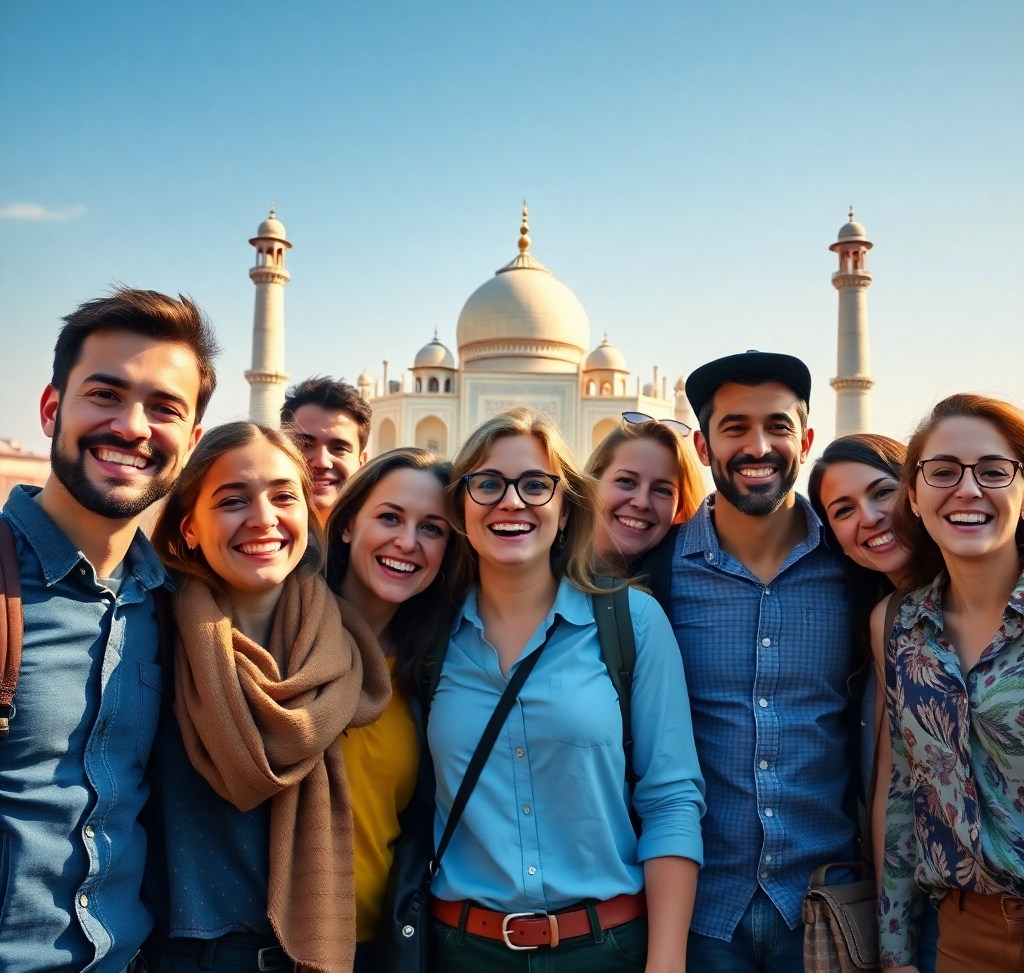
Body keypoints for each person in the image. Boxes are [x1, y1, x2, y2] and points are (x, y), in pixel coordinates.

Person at [427, 407, 705, 972]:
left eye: (535, 485)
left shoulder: (632, 621)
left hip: (606, 948)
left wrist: (667, 960)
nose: (512, 502)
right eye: (487, 484)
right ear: (460, 508)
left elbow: (671, 797)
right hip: (463, 951)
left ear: (564, 508)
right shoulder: (430, 637)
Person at [0, 288, 217, 973]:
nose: (131, 426)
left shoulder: (171, 605)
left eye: (164, 408)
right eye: (104, 393)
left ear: (192, 442)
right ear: (50, 408)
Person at [143, 422, 390, 973]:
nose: (263, 518)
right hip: (173, 957)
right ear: (188, 529)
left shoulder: (345, 652)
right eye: (233, 500)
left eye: (284, 496)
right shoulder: (149, 634)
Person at [656, 349, 855, 972]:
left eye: (778, 426)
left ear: (808, 439)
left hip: (829, 908)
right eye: (735, 427)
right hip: (697, 914)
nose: (758, 445)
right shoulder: (655, 578)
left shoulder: (854, 571)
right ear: (703, 446)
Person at [878, 394, 1024, 973]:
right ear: (913, 496)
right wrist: (894, 951)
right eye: (942, 472)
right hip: (965, 935)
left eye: (993, 470)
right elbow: (905, 793)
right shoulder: (907, 630)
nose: (967, 489)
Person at [323, 448, 460, 973]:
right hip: (256, 943)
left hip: (373, 945)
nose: (407, 543)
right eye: (389, 517)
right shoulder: (281, 629)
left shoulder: (433, 670)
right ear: (347, 525)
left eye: (432, 528)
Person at [808, 435, 939, 973]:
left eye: (881, 492)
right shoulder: (885, 620)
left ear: (914, 491)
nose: (868, 517)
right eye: (843, 510)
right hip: (937, 911)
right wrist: (895, 946)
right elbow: (894, 789)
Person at [585, 414, 705, 577]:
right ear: (592, 482)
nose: (642, 502)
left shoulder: (680, 591)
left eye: (662, 490)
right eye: (626, 481)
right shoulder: (544, 572)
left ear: (679, 507)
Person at [281, 376, 372, 520]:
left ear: (362, 464)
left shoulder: (382, 539)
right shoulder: (262, 534)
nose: (321, 462)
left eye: (339, 448)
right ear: (282, 453)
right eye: (306, 445)